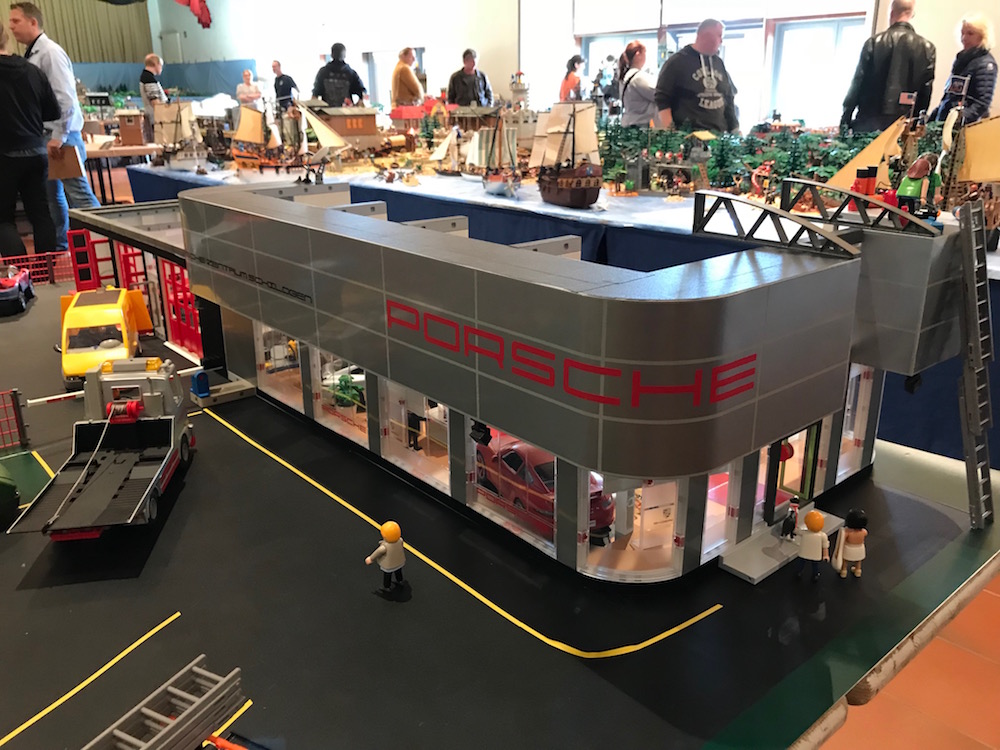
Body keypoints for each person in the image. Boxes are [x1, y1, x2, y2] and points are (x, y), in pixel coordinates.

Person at [8, 2, 100, 251]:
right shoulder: (32, 53)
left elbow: (65, 98)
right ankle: (60, 247)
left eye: (16, 21)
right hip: (45, 137)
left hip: (62, 137)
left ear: (33, 22)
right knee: (53, 198)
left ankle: (106, 241)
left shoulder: (50, 53)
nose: (11, 26)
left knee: (78, 194)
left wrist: (59, 135)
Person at [0, 22, 58, 258]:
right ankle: (47, 270)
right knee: (40, 214)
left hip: (5, 155)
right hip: (36, 151)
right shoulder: (32, 70)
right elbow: (52, 111)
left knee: (3, 219)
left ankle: (21, 271)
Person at [842, 0, 936, 132]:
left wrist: (845, 120)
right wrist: (915, 123)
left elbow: (857, 83)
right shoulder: (927, 48)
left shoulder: (873, 43)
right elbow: (925, 92)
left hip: (868, 121)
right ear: (911, 14)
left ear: (891, 13)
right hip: (903, 124)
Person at [654, 19, 739, 132]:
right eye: (719, 36)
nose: (721, 41)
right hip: (689, 135)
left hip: (718, 135)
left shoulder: (718, 63)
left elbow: (728, 98)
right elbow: (662, 99)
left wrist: (735, 129)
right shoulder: (677, 62)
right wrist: (672, 133)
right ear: (706, 35)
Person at [929, 14, 997, 125]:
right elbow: (950, 95)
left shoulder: (986, 64)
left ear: (982, 36)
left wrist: (958, 120)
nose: (964, 38)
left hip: (964, 127)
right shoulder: (962, 60)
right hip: (947, 122)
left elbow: (982, 104)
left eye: (970, 34)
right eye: (962, 33)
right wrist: (933, 118)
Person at [312, 42, 366, 107]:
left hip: (328, 112)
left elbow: (315, 95)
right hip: (346, 111)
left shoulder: (323, 72)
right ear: (345, 55)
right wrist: (358, 105)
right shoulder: (351, 73)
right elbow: (362, 92)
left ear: (331, 55)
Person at [618, 41, 658, 127]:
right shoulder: (638, 77)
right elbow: (658, 94)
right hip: (640, 125)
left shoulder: (626, 76)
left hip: (630, 123)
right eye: (644, 53)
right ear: (638, 54)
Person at [365, 520, 406, 593]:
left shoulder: (384, 547)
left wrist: (371, 559)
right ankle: (400, 580)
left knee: (387, 576)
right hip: (400, 562)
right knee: (398, 572)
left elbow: (377, 553)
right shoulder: (400, 540)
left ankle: (387, 587)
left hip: (389, 566)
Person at [833, 508, 869, 579]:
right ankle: (858, 570)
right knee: (858, 560)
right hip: (860, 548)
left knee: (845, 560)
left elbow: (842, 541)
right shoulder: (864, 532)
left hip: (849, 548)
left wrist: (838, 551)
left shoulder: (848, 532)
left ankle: (844, 571)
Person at [139, 53, 167, 143]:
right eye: (161, 65)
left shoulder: (146, 77)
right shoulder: (149, 79)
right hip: (155, 119)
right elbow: (155, 103)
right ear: (156, 64)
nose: (161, 68)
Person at [795, 510, 829, 581]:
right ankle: (814, 574)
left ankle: (800, 572)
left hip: (804, 553)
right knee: (814, 564)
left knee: (802, 562)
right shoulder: (823, 535)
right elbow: (825, 546)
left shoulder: (805, 533)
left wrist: (794, 526)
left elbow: (797, 531)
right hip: (815, 555)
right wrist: (825, 555)